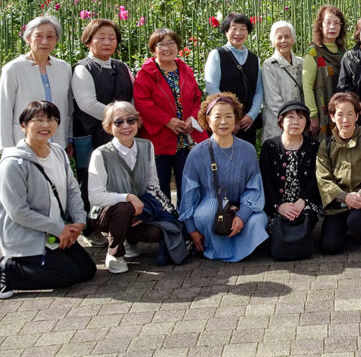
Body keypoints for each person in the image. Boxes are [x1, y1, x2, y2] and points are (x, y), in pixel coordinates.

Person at [0, 101, 96, 299]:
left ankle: (39, 261)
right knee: (67, 275)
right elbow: (18, 211)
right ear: (23, 125)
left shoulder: (58, 152)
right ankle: (5, 268)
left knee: (87, 271)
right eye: (38, 120)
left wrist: (79, 221)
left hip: (55, 232)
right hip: (28, 235)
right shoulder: (13, 163)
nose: (46, 125)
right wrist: (57, 228)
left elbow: (72, 190)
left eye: (52, 120)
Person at [88, 101, 186, 273]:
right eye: (118, 122)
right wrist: (127, 197)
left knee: (156, 233)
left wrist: (147, 209)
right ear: (109, 126)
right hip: (106, 213)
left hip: (139, 210)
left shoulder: (146, 146)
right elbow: (95, 196)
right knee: (124, 207)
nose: (126, 126)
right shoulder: (100, 154)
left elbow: (152, 183)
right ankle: (114, 253)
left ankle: (128, 239)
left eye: (131, 120)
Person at [178, 93, 269, 262]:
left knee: (259, 219)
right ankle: (216, 248)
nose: (223, 122)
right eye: (217, 116)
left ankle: (241, 247)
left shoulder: (248, 150)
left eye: (229, 116)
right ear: (207, 119)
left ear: (236, 119)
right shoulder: (197, 153)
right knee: (207, 213)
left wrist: (242, 215)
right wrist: (191, 229)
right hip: (211, 208)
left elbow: (254, 188)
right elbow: (188, 195)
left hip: (239, 206)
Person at [71, 18, 135, 247]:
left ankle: (117, 222)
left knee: (117, 177)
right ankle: (91, 227)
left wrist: (128, 120)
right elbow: (87, 103)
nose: (107, 42)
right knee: (90, 178)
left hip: (120, 132)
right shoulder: (82, 69)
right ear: (88, 41)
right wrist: (119, 119)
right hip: (91, 133)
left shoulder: (121, 67)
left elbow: (132, 96)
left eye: (112, 38)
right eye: (101, 37)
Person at [133, 28, 208, 205]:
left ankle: (187, 222)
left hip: (186, 137)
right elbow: (142, 102)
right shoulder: (146, 73)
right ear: (153, 49)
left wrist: (192, 117)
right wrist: (167, 121)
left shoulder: (185, 69)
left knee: (188, 182)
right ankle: (165, 223)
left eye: (171, 43)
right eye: (161, 44)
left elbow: (197, 96)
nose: (167, 48)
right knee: (160, 183)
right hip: (160, 137)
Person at [315, 92, 361, 253]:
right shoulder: (326, 146)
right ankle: (343, 227)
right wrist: (345, 197)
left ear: (357, 116)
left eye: (350, 114)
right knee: (329, 247)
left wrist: (359, 196)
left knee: (357, 222)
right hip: (338, 202)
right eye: (340, 114)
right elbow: (323, 179)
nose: (345, 120)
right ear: (332, 117)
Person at [0, 15, 73, 153]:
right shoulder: (13, 69)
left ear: (56, 40)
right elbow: (5, 109)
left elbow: (68, 107)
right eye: (38, 36)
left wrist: (69, 138)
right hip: (24, 143)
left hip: (57, 143)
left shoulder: (64, 68)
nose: (44, 41)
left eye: (50, 37)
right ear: (28, 38)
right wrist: (7, 148)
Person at [259, 100, 321, 260]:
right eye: (290, 117)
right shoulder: (269, 146)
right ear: (281, 121)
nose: (295, 121)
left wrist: (303, 201)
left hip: (305, 203)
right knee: (275, 226)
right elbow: (265, 180)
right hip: (277, 204)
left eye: (301, 117)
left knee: (304, 220)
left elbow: (317, 179)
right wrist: (278, 206)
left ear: (307, 122)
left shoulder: (313, 145)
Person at [204, 13, 264, 146]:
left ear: (248, 33)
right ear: (226, 31)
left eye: (243, 29)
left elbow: (259, 89)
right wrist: (231, 117)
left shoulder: (254, 59)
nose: (238, 33)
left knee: (246, 156)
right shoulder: (217, 54)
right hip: (224, 121)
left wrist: (251, 116)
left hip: (247, 123)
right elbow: (212, 88)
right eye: (233, 28)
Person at [303, 5, 347, 140]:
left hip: (340, 112)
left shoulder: (343, 53)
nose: (332, 27)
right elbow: (307, 86)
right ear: (320, 26)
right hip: (322, 111)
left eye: (336, 23)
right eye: (328, 22)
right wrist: (313, 115)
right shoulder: (313, 52)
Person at [261, 21, 304, 141]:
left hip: (300, 124)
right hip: (277, 124)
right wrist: (291, 119)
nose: (283, 41)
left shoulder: (301, 63)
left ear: (293, 39)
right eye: (279, 37)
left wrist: (301, 119)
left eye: (287, 36)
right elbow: (273, 100)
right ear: (272, 41)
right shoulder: (269, 65)